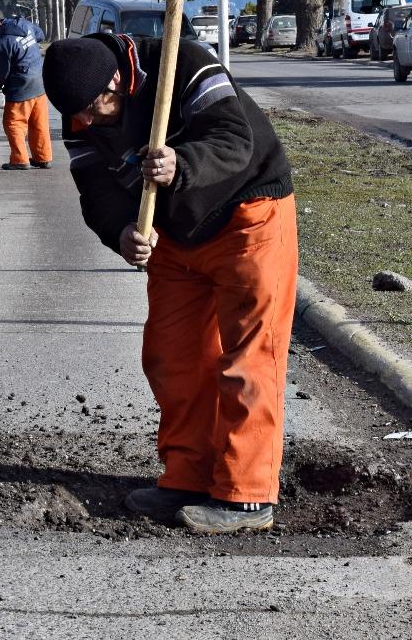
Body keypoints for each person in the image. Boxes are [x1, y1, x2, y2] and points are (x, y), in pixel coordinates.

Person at [41, 32, 297, 534]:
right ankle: (189, 476)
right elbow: (94, 187)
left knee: (249, 359)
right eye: (78, 117)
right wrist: (121, 233)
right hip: (172, 235)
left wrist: (183, 163)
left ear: (117, 79)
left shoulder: (184, 62)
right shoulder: (80, 109)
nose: (87, 123)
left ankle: (246, 496)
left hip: (247, 216)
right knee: (172, 357)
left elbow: (233, 140)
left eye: (97, 108)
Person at [0, 9, 51, 170]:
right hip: (39, 80)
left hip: (21, 85)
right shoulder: (24, 24)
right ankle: (42, 157)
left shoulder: (1, 42)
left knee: (13, 122)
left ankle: (19, 160)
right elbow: (40, 35)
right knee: (38, 122)